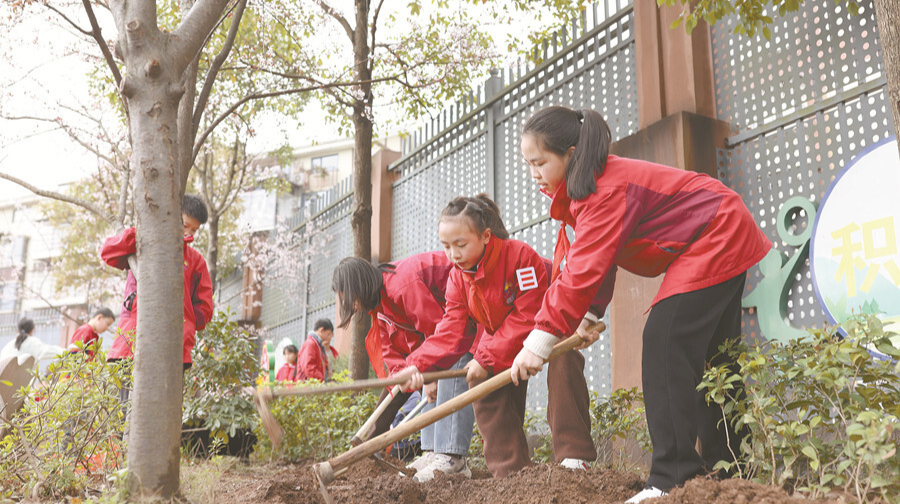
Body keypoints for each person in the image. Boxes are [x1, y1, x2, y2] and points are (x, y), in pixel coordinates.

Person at [509, 106, 772, 503]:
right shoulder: (590, 191)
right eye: (528, 164)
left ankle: (672, 476)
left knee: (665, 343)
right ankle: (729, 470)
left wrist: (538, 341)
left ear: (572, 153)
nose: (533, 174)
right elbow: (602, 259)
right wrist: (590, 316)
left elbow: (580, 272)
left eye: (539, 162)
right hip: (723, 227)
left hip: (716, 232)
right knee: (716, 362)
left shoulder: (604, 189)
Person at [397, 194, 597, 479]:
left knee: (564, 357)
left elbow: (529, 314)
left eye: (460, 244)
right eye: (446, 246)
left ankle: (575, 457)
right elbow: (450, 328)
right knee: (481, 378)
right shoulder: (457, 277)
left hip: (548, 328)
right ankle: (511, 473)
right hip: (503, 341)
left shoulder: (520, 257)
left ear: (485, 236)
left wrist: (486, 356)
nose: (453, 254)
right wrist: (418, 364)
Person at [332, 252, 479, 482]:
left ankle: (452, 457)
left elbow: (443, 333)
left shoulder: (402, 285)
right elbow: (397, 372)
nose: (354, 306)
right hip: (447, 332)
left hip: (468, 321)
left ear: (359, 286)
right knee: (424, 382)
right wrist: (372, 439)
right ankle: (433, 452)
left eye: (352, 299)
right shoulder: (381, 309)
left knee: (451, 364)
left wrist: (429, 374)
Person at [100, 194, 214, 384]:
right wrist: (140, 235)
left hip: (175, 344)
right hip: (134, 337)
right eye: (184, 225)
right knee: (127, 407)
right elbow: (109, 253)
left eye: (193, 230)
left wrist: (189, 325)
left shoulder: (195, 260)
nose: (188, 233)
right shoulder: (146, 240)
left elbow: (204, 308)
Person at [0, 318, 64, 362]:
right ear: (32, 330)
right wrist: (66, 352)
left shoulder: (8, 345)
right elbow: (46, 351)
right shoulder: (32, 342)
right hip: (23, 380)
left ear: (17, 330)